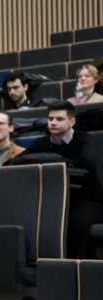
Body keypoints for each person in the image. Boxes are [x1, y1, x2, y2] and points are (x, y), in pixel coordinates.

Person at [25, 101, 103, 257]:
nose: (53, 123)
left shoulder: (83, 138)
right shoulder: (42, 142)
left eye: (59, 119)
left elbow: (88, 161)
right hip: (55, 202)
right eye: (50, 119)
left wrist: (60, 164)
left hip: (86, 201)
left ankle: (71, 265)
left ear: (72, 122)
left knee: (74, 222)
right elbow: (18, 161)